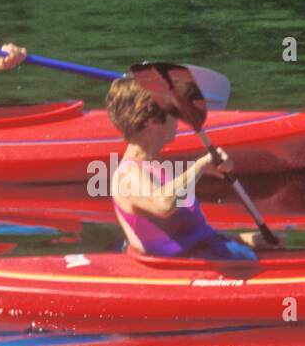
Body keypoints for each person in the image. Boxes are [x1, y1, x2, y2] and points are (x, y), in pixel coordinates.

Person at [105, 75, 280, 260]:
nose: (178, 119)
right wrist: (202, 164)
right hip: (180, 271)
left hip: (204, 258)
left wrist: (249, 240)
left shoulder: (158, 168)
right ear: (152, 121)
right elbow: (162, 204)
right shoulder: (128, 174)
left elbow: (195, 237)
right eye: (173, 111)